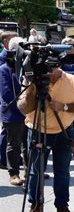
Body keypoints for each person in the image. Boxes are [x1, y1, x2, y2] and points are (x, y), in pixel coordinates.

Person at [18, 53, 74, 212]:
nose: (49, 73)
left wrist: (63, 106)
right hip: (38, 131)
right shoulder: (33, 79)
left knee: (62, 172)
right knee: (36, 171)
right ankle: (35, 205)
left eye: (52, 69)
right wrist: (33, 87)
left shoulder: (72, 80)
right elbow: (24, 108)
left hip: (64, 131)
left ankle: (62, 206)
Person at [1, 36, 27, 186]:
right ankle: (14, 173)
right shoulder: (4, 69)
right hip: (13, 113)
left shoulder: (25, 67)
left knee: (29, 144)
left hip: (28, 112)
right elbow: (6, 94)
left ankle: (31, 170)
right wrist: (23, 106)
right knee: (14, 145)